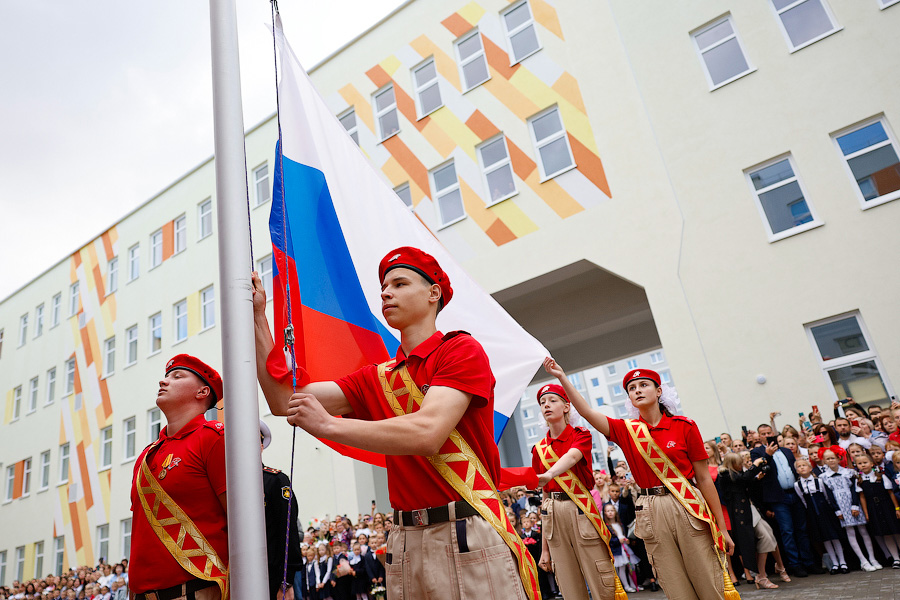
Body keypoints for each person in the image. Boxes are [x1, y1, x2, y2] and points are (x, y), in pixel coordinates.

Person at [252, 247, 538, 600]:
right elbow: (284, 400)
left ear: (434, 292)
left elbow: (428, 432)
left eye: (400, 284)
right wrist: (257, 318)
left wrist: (328, 426)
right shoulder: (377, 377)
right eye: (384, 287)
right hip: (404, 539)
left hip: (463, 529)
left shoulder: (460, 350)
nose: (386, 292)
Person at [548, 358, 735, 599]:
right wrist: (562, 377)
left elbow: (704, 479)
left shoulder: (684, 426)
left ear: (659, 391)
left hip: (687, 504)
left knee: (708, 578)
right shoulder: (626, 430)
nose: (637, 390)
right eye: (632, 388)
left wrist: (721, 528)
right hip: (650, 508)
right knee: (673, 583)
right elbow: (586, 412)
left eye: (644, 385)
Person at [128, 355, 228, 600]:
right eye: (166, 377)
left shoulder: (214, 438)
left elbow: (243, 518)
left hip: (194, 589)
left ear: (202, 392)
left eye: (177, 376)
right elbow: (141, 533)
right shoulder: (146, 455)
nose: (163, 382)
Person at [530, 382, 620, 599]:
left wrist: (550, 473)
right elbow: (544, 497)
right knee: (568, 584)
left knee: (600, 579)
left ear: (566, 406)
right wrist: (544, 550)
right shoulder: (538, 449)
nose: (546, 405)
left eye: (552, 400)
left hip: (579, 508)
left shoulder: (581, 434)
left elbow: (572, 457)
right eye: (542, 402)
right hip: (553, 513)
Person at [750, 424, 821, 577]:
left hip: (795, 493)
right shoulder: (757, 452)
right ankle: (795, 564)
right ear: (759, 436)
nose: (767, 435)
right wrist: (768, 455)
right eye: (763, 434)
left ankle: (809, 562)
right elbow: (758, 471)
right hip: (778, 497)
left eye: (769, 432)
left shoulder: (786, 451)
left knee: (802, 529)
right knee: (787, 531)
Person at [717, 453, 784, 589]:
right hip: (742, 515)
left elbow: (747, 483)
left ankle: (773, 569)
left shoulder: (737, 474)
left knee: (769, 536)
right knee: (763, 538)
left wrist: (756, 478)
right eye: (739, 463)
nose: (741, 465)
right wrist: (755, 465)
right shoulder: (725, 475)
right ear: (732, 464)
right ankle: (762, 575)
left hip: (751, 510)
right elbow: (742, 480)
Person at [819, 447, 881, 571]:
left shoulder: (849, 472)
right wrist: (837, 510)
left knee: (863, 530)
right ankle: (863, 561)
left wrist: (855, 505)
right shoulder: (824, 477)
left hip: (853, 503)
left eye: (833, 458)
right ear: (824, 461)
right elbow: (829, 495)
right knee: (850, 532)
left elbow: (854, 490)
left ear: (838, 458)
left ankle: (872, 558)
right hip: (840, 506)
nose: (831, 460)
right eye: (828, 459)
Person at [261, 420, 303, 600]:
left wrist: (286, 581)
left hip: (271, 576)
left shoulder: (275, 481)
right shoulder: (227, 483)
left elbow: (288, 532)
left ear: (261, 446)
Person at [792, 458, 845, 574]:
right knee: (824, 537)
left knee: (834, 535)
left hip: (825, 511)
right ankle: (834, 563)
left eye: (804, 465)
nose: (802, 467)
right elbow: (803, 500)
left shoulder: (819, 481)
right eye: (799, 466)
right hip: (813, 513)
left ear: (810, 468)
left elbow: (827, 496)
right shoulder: (797, 485)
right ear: (796, 471)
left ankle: (842, 562)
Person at [854, 453, 900, 568]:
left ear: (871, 464)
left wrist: (897, 508)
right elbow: (862, 497)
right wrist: (866, 513)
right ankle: (896, 558)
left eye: (865, 462)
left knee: (896, 531)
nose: (863, 465)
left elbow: (891, 493)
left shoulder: (880, 476)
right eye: (860, 463)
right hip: (873, 508)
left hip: (887, 506)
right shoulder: (859, 480)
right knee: (885, 534)